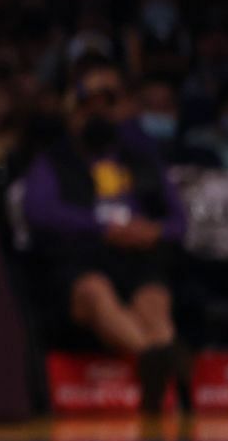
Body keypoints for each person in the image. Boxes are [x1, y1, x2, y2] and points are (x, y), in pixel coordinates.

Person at [23, 60, 190, 413]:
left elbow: (178, 221)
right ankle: (158, 362)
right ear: (72, 113)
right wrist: (103, 228)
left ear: (123, 109)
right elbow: (39, 210)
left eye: (108, 104)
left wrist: (152, 230)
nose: (98, 114)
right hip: (80, 260)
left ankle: (160, 387)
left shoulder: (142, 158)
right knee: (97, 292)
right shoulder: (54, 160)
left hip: (137, 257)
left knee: (154, 302)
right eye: (87, 106)